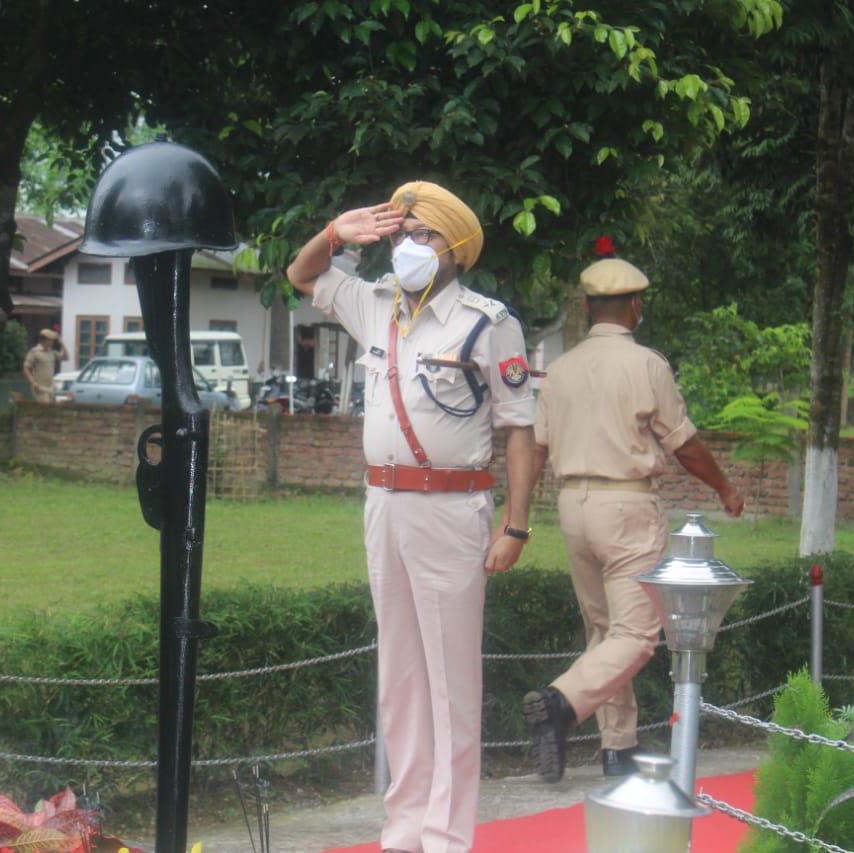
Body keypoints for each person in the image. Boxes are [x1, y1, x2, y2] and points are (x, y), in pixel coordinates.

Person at [285, 181, 536, 853]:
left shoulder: (487, 321)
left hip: (453, 508)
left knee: (451, 682)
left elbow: (520, 430)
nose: (408, 248)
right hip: (385, 503)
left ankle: (447, 836)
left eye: (423, 236)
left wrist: (516, 523)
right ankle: (403, 829)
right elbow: (302, 273)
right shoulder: (376, 306)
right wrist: (337, 233)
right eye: (402, 236)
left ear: (455, 249)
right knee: (399, 676)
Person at [522, 242, 744, 784]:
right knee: (639, 635)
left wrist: (517, 516)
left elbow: (535, 448)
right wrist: (724, 487)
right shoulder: (647, 365)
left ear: (584, 309)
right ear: (636, 308)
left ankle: (617, 747)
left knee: (604, 629)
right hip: (626, 503)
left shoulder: (560, 369)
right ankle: (560, 702)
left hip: (572, 504)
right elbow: (684, 444)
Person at [22, 328, 68, 403]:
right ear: (45, 340)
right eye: (51, 339)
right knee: (46, 408)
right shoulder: (35, 351)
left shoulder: (51, 352)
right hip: (40, 387)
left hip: (50, 388)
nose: (52, 342)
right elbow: (26, 369)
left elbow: (65, 358)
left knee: (51, 411)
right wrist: (33, 383)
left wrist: (62, 343)